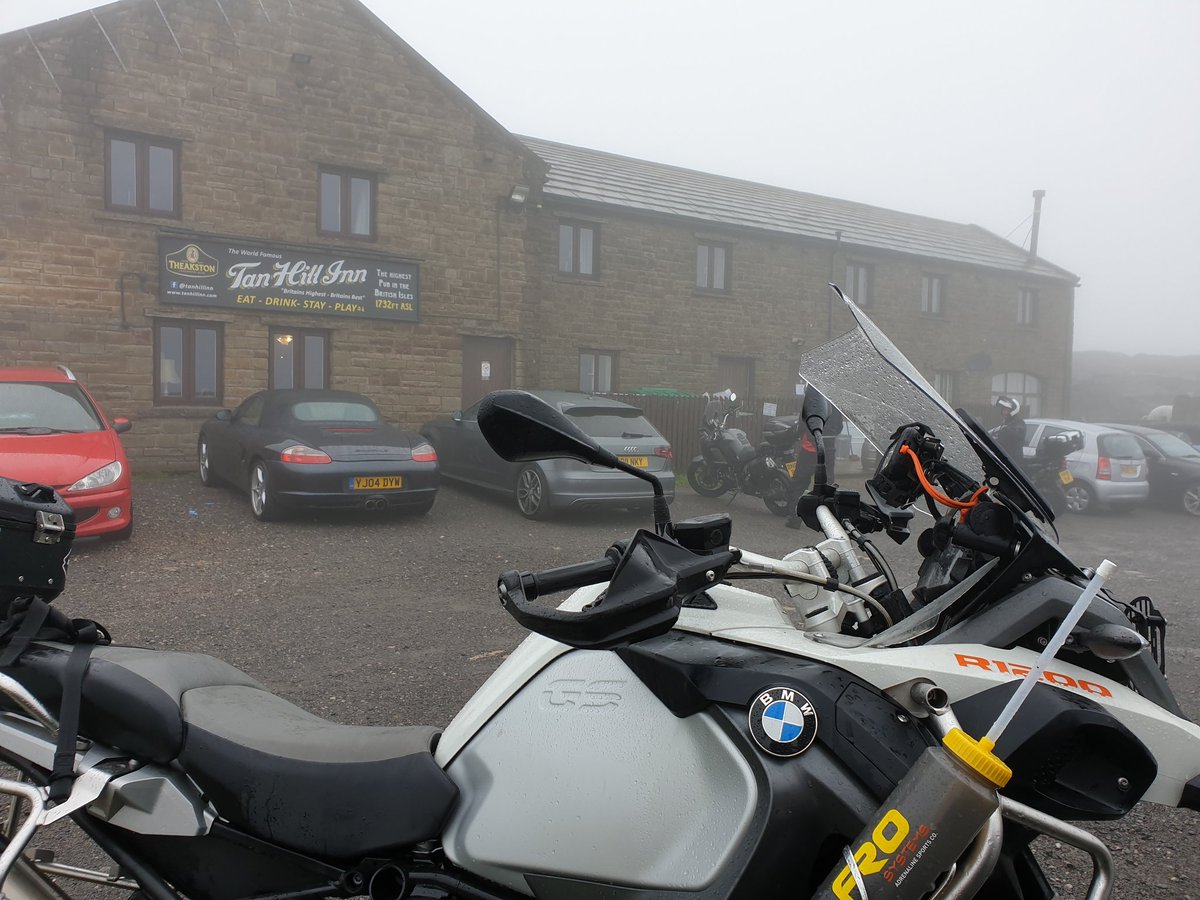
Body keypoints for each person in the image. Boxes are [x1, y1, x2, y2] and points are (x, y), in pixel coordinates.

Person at [992, 395, 1026, 462]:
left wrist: (1003, 431)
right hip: (1003, 458)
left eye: (1007, 410)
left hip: (1013, 461)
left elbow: (1015, 435)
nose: (1004, 412)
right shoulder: (1005, 423)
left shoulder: (1019, 423)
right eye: (1003, 409)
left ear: (1013, 411)